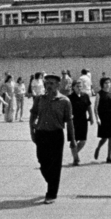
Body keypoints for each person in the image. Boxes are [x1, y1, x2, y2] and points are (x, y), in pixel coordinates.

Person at [30, 73, 75, 203]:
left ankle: (51, 193)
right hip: (41, 134)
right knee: (42, 162)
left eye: (51, 83)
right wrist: (32, 132)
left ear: (58, 85)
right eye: (47, 83)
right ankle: (52, 182)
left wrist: (72, 140)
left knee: (55, 166)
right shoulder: (39, 99)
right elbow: (33, 116)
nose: (48, 86)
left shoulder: (65, 101)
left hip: (56, 135)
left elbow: (69, 122)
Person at [93, 76, 111, 162]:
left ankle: (109, 157)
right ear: (102, 84)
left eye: (109, 82)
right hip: (103, 118)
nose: (108, 84)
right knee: (104, 138)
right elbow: (95, 108)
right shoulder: (99, 94)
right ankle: (98, 148)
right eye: (106, 83)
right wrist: (97, 118)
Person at [67, 77, 93, 165]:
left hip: (83, 120)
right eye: (77, 86)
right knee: (73, 140)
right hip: (73, 121)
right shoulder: (69, 98)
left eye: (80, 86)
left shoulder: (85, 96)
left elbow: (89, 107)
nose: (79, 88)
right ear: (73, 87)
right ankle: (76, 159)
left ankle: (74, 153)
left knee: (83, 141)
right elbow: (65, 110)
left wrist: (91, 117)